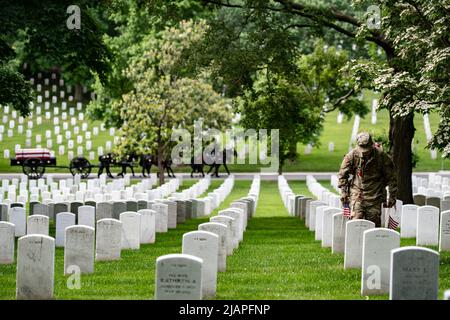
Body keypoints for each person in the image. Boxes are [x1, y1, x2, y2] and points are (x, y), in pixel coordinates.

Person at [337, 132, 398, 227]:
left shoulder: (381, 156)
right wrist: (343, 191)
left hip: (375, 195)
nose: (364, 152)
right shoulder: (351, 156)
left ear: (372, 145)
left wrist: (392, 196)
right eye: (362, 149)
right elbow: (342, 175)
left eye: (367, 150)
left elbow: (392, 177)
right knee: (355, 222)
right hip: (357, 194)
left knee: (373, 224)